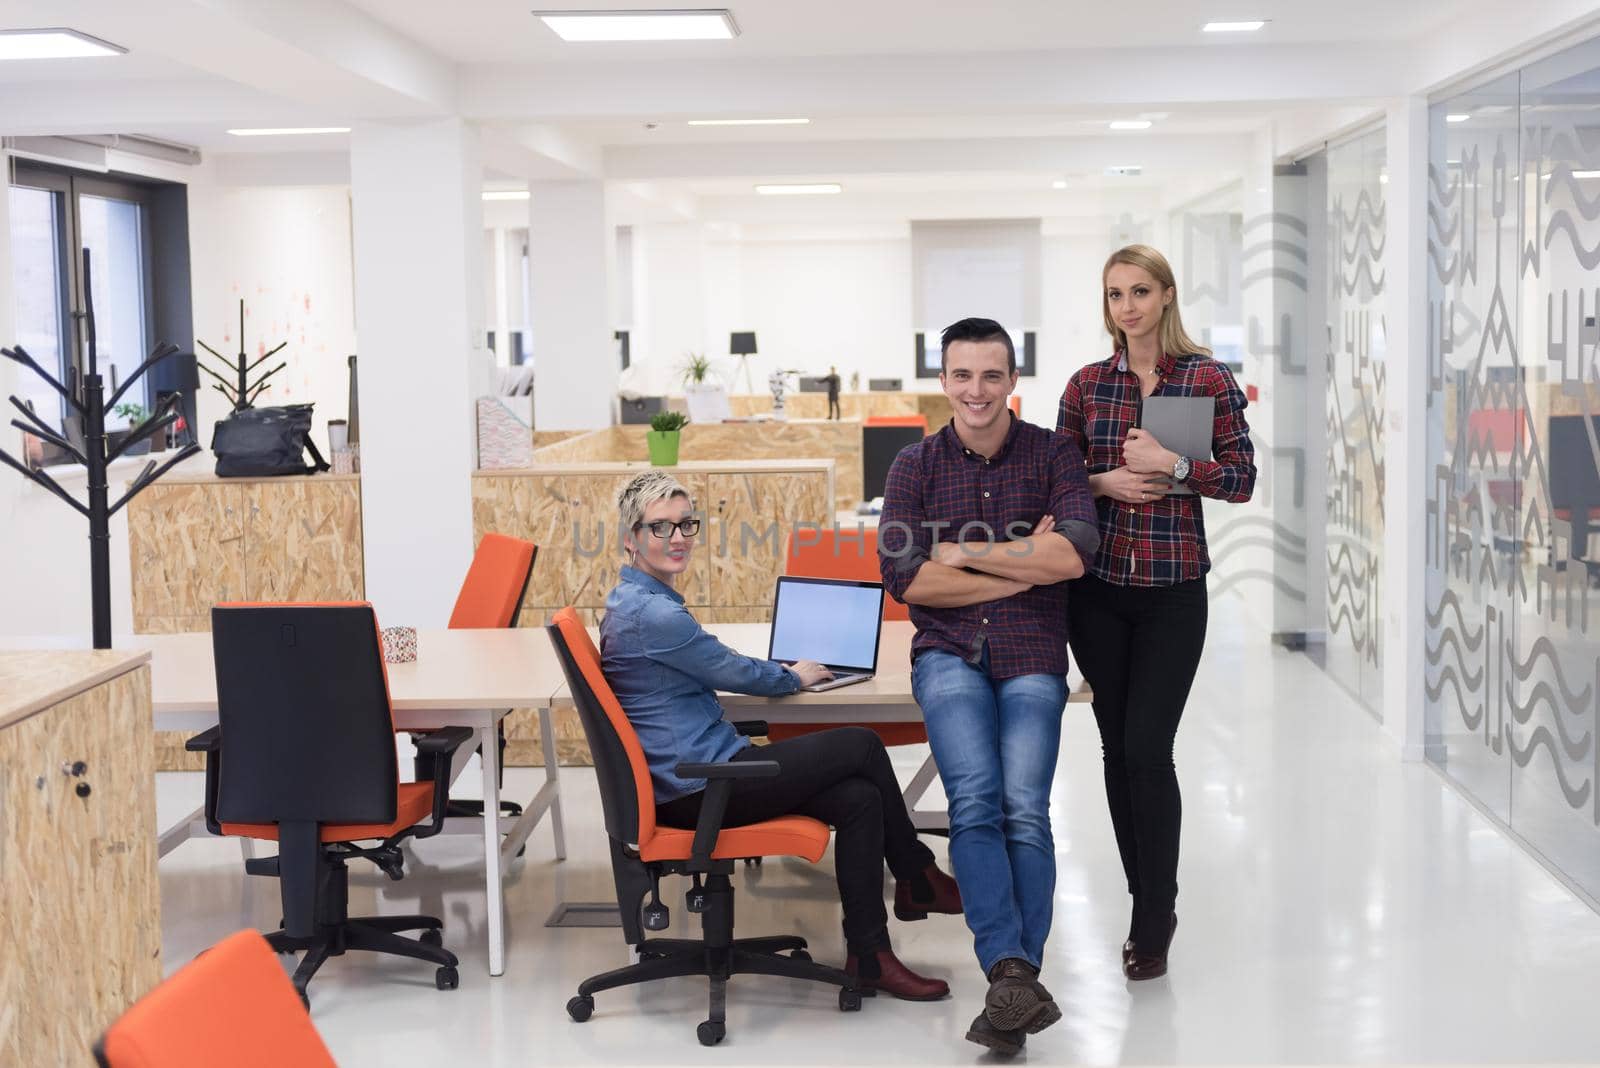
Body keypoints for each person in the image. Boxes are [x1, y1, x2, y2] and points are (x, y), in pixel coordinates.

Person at [600, 470, 961, 1001]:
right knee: (861, 743)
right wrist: (794, 676)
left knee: (860, 798)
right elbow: (731, 670)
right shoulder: (653, 615)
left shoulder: (635, 601)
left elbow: (710, 664)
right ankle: (916, 873)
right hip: (699, 788)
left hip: (700, 774)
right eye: (660, 528)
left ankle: (870, 955)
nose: (677, 538)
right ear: (630, 538)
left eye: (685, 524)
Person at [877, 317, 1099, 1056]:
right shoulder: (912, 466)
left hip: (1034, 652)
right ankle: (1012, 974)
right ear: (944, 380)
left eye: (992, 375)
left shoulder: (1053, 452)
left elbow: (1073, 557)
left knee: (1023, 809)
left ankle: (1012, 979)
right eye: (963, 375)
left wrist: (965, 554)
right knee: (973, 800)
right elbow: (907, 580)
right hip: (946, 656)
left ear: (1012, 381)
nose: (977, 390)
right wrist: (1020, 555)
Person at [1056, 244, 1255, 982]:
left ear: (1167, 296)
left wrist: (1171, 465)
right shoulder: (1086, 384)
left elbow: (1240, 479)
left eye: (1140, 291)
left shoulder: (1205, 378)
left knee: (1148, 749)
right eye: (1114, 294)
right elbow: (1058, 482)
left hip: (1172, 590)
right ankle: (1147, 900)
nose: (1127, 306)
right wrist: (1105, 478)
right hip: (1098, 588)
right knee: (1115, 747)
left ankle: (1153, 914)